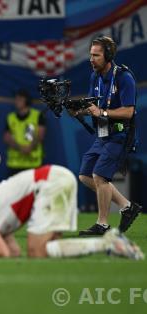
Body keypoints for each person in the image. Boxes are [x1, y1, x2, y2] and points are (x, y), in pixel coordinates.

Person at [0, 165, 144, 260]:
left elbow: (0, 253)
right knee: (46, 250)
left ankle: (108, 243)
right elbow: (13, 253)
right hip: (54, 180)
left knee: (38, 252)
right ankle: (109, 244)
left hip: (49, 183)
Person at [70, 36, 142, 236]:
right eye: (90, 55)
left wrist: (102, 113)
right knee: (85, 175)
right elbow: (94, 107)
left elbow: (129, 112)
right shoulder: (95, 76)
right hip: (103, 134)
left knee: (99, 176)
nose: (91, 59)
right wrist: (79, 110)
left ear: (108, 56)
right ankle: (127, 207)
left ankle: (102, 224)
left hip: (121, 134)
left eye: (96, 55)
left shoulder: (124, 77)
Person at [4, 89, 46, 177]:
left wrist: (29, 148)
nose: (17, 101)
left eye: (20, 99)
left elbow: (40, 135)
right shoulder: (10, 117)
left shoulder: (37, 115)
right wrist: (20, 148)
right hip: (14, 164)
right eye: (16, 99)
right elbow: (7, 137)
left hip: (33, 163)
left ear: (26, 100)